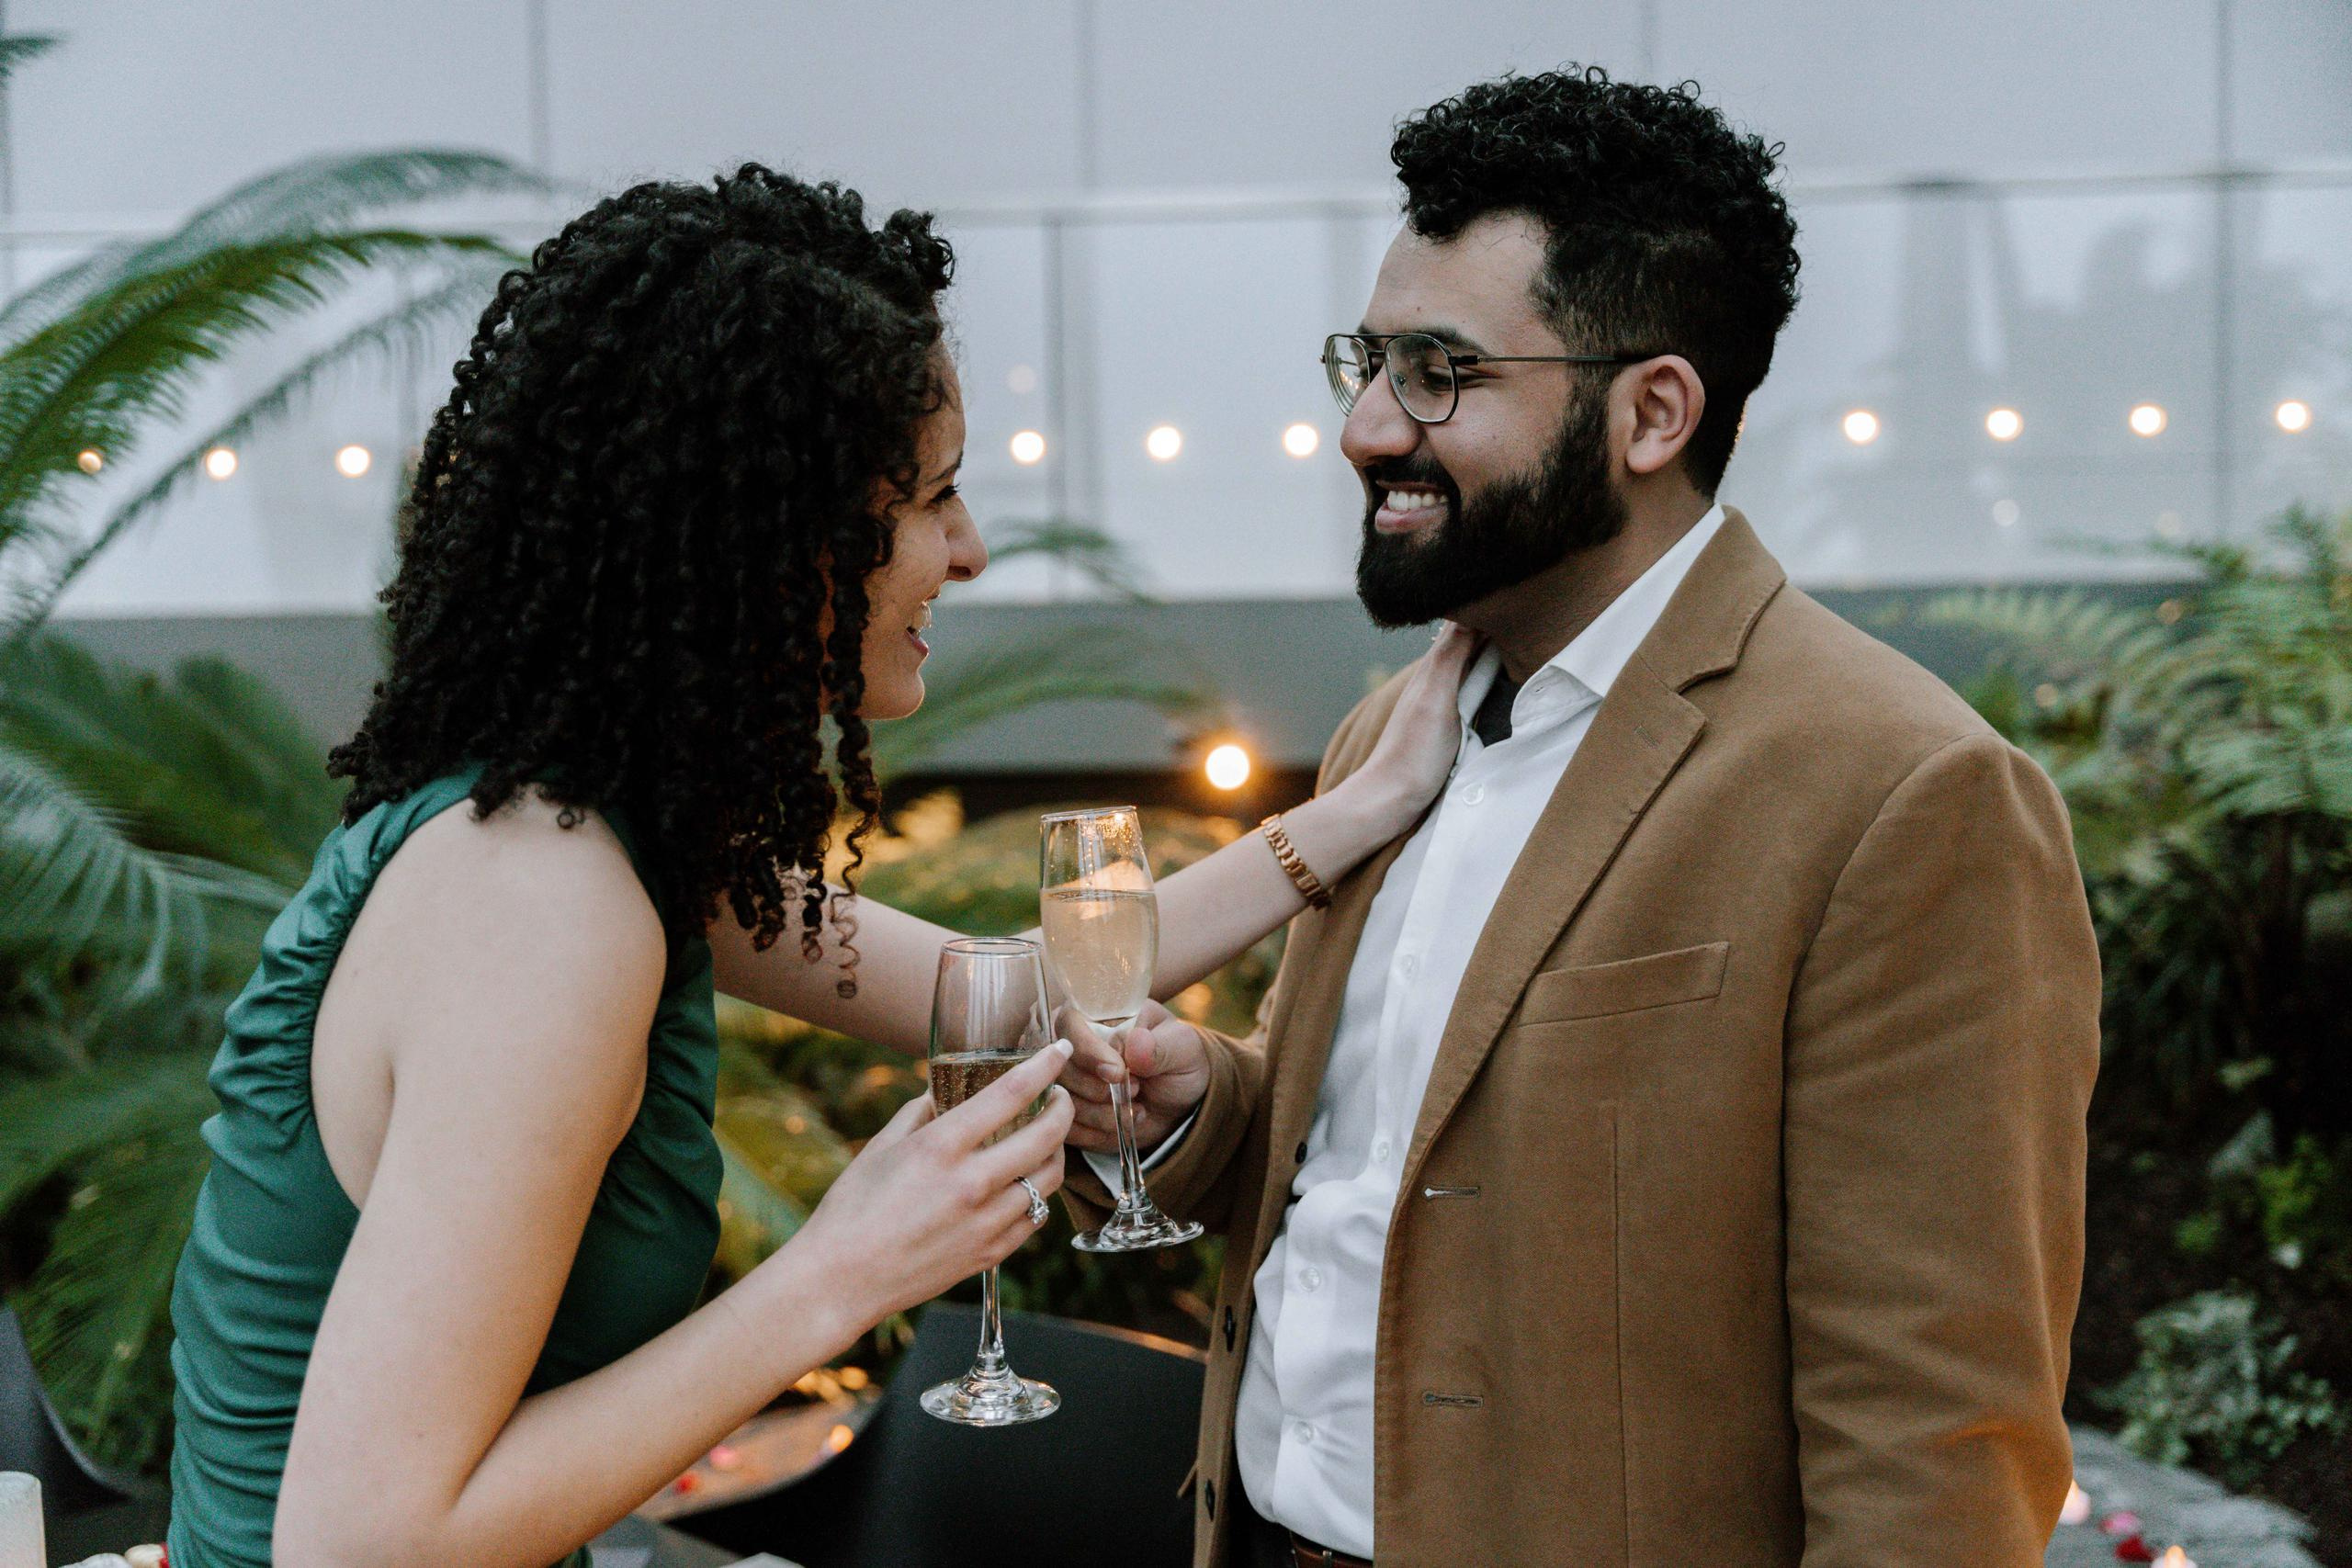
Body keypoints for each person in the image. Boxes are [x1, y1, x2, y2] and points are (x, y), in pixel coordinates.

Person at [162, 166, 1475, 1568]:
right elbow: (353, 1545)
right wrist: (846, 1269)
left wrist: (1356, 811)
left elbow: (1009, 986)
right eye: (936, 497)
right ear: (774, 536)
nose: (970, 551)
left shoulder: (600, 834)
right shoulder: (541, 906)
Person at [1059, 67, 2101, 1568]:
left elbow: (1935, 1437)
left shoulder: (1906, 793)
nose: (1365, 427)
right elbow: (1369, 1161)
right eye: (1369, 361)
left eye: (1441, 372)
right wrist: (1196, 1109)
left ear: (1652, 413)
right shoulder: (1385, 737)